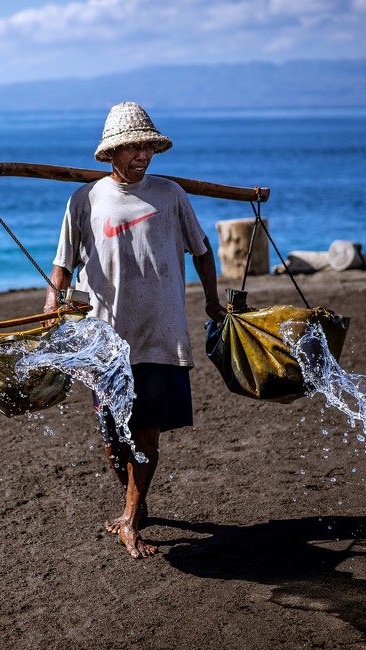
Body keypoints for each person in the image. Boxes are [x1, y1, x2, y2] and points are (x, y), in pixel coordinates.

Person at [44, 102, 226, 558]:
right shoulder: (85, 200)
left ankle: (130, 517)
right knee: (111, 439)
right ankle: (135, 501)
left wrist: (211, 299)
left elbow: (202, 251)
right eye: (133, 146)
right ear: (112, 153)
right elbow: (63, 263)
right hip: (104, 340)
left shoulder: (170, 195)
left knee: (146, 432)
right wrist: (52, 303)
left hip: (161, 334)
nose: (142, 153)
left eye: (148, 145)